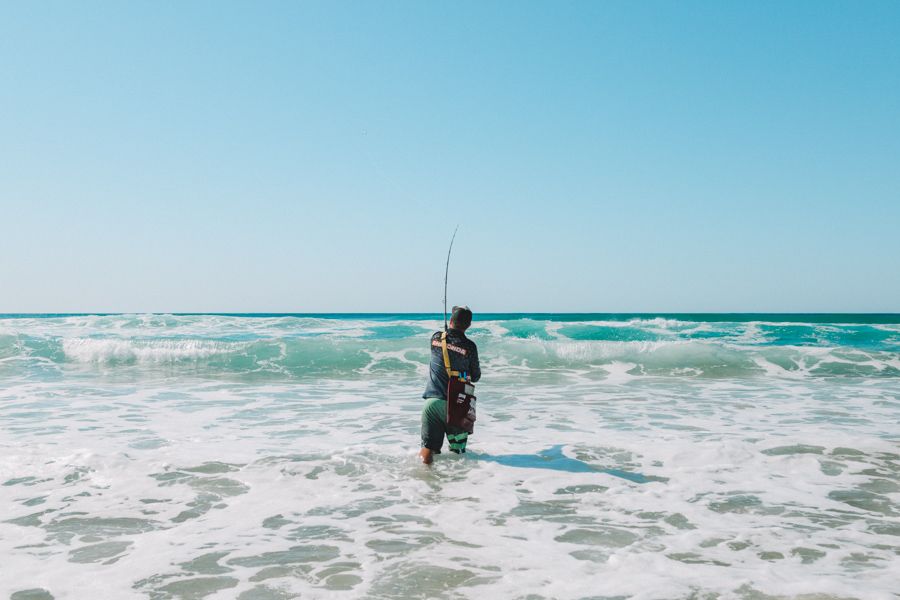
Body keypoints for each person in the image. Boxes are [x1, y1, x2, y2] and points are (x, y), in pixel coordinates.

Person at [419, 305, 481, 464]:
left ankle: (425, 480)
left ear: (451, 321)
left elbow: (446, 343)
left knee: (428, 449)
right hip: (457, 406)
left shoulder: (435, 338)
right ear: (468, 326)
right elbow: (476, 376)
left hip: (432, 403)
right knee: (458, 454)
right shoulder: (470, 347)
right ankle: (457, 484)